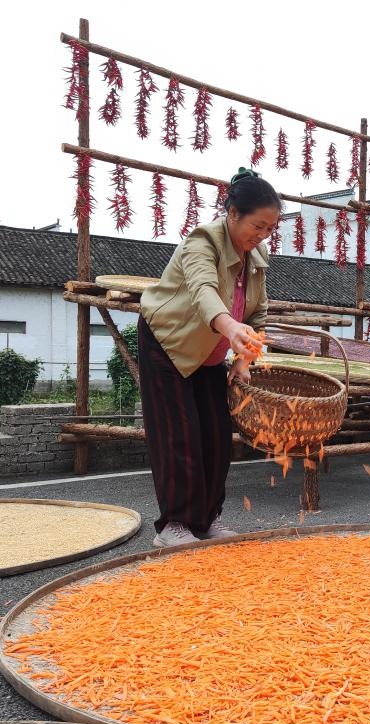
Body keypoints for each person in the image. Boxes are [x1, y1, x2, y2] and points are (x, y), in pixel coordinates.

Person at [138, 168, 281, 548]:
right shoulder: (202, 242)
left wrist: (242, 360)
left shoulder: (256, 255)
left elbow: (259, 315)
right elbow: (203, 292)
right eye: (258, 225)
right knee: (179, 433)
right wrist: (231, 329)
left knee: (216, 435)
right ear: (233, 214)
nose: (263, 235)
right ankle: (175, 524)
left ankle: (206, 519)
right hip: (170, 344)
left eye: (270, 229)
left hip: (212, 351)